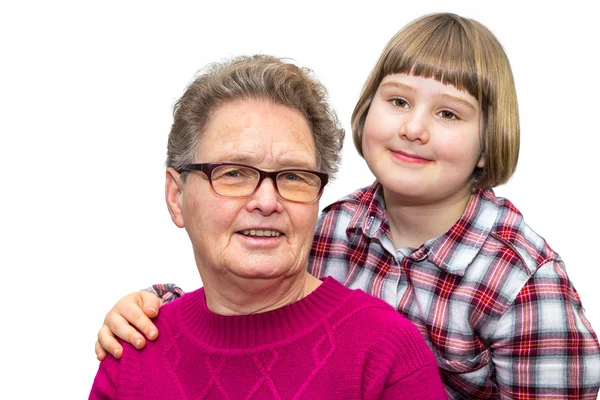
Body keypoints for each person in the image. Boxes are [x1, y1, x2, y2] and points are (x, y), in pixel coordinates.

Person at [95, 13, 600, 399]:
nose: (414, 129)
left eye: (448, 113)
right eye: (398, 101)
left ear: (489, 145)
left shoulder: (523, 280)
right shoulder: (336, 225)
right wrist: (156, 304)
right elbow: (244, 288)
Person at [89, 54, 447, 399]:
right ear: (176, 196)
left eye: (293, 176)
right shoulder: (132, 351)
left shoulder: (386, 354)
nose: (267, 202)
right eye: (233, 173)